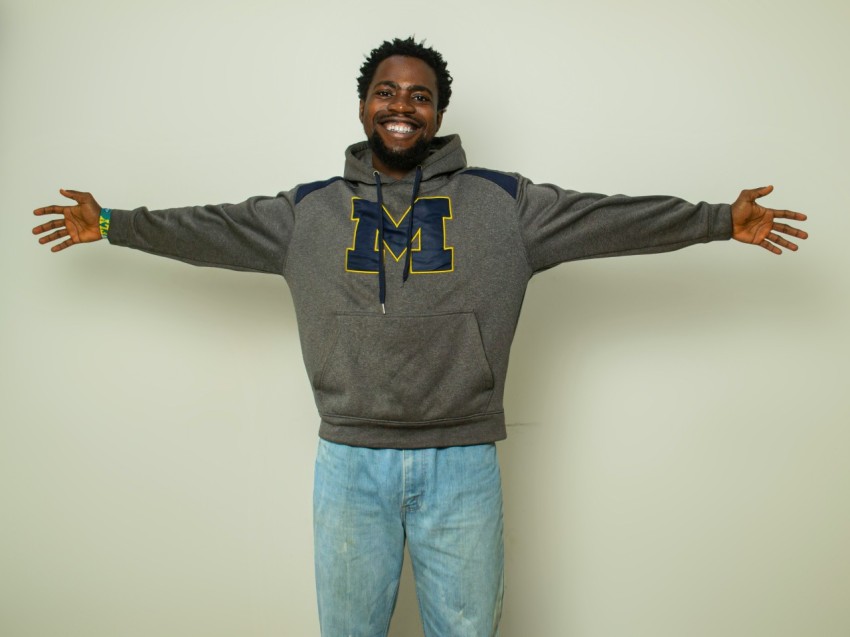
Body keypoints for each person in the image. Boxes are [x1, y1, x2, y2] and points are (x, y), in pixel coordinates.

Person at [32, 37, 807, 637]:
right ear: (363, 104)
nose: (402, 107)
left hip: (462, 462)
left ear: (438, 112)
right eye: (386, 92)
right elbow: (208, 229)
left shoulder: (508, 204)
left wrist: (716, 220)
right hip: (348, 464)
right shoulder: (303, 213)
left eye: (420, 96)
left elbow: (609, 218)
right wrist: (109, 223)